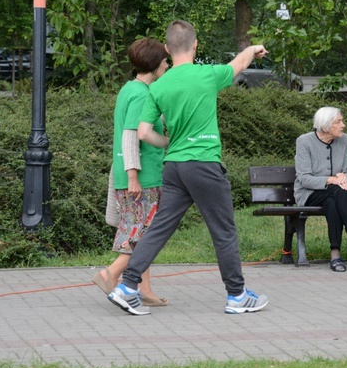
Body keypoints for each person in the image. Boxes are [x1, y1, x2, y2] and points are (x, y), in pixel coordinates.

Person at [107, 20, 270, 316]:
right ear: (195, 45)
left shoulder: (159, 85)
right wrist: (254, 48)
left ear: (167, 48)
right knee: (223, 231)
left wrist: (169, 142)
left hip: (174, 169)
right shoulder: (207, 75)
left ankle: (127, 287)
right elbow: (239, 63)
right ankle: (237, 295)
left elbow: (143, 132)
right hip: (204, 165)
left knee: (159, 227)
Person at [92, 38, 169, 307]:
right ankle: (110, 274)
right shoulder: (141, 94)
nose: (167, 64)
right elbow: (130, 136)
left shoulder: (130, 89)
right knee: (144, 237)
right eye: (164, 60)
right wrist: (134, 176)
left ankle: (143, 289)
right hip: (143, 178)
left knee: (141, 232)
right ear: (155, 63)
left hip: (137, 176)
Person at [294, 107, 347, 272]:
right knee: (338, 191)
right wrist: (332, 179)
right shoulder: (304, 141)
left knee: (333, 201)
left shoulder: (344, 139)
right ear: (325, 127)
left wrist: (344, 178)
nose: (343, 125)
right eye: (338, 122)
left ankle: (335, 255)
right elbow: (304, 178)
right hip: (309, 193)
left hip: (336, 194)